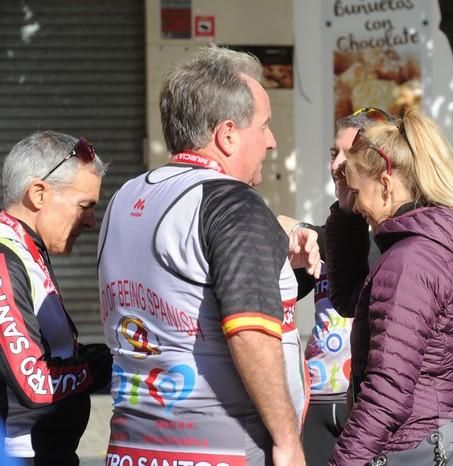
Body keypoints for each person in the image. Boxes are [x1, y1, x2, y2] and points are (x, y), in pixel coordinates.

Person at [97, 46, 316, 466]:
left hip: (133, 447)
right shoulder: (232, 203)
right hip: (224, 448)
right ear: (228, 134)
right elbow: (249, 331)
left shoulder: (126, 197)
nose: (271, 142)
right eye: (265, 126)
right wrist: (288, 441)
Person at [325, 106, 453, 465]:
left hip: (413, 445)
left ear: (385, 183)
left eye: (357, 192)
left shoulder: (410, 261)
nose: (358, 207)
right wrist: (343, 212)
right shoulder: (433, 245)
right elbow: (351, 300)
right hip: (438, 437)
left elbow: (388, 387)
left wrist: (344, 461)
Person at [0, 131, 112, 465]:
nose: (91, 221)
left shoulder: (25, 248)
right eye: (84, 206)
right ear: (38, 194)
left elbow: (50, 350)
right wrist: (100, 367)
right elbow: (33, 383)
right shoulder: (4, 257)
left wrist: (89, 356)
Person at [278, 109, 381, 466]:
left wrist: (313, 233)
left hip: (369, 404)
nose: (336, 164)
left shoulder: (397, 240)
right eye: (332, 154)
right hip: (318, 401)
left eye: (348, 155)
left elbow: (365, 253)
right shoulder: (328, 237)